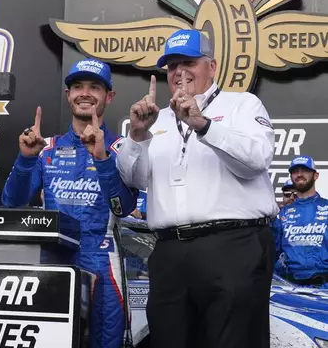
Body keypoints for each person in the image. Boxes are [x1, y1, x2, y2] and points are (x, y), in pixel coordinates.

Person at [116, 29, 277, 348]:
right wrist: (136, 135)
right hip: (169, 252)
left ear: (212, 66)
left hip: (233, 246)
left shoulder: (242, 105)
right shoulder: (156, 120)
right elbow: (133, 178)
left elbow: (256, 161)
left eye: (189, 62)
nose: (179, 71)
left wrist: (202, 124)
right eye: (172, 65)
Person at [1, 58, 138, 348]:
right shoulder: (45, 149)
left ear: (109, 97)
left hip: (103, 261)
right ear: (68, 95)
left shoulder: (121, 148)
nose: (85, 93)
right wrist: (26, 158)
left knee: (105, 342)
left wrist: (101, 160)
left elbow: (123, 208)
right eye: (77, 86)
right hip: (54, 259)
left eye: (94, 87)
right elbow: (11, 202)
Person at [273, 156, 328, 288]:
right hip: (290, 289)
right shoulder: (283, 213)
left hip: (324, 287)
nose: (299, 174)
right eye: (295, 171)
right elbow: (272, 253)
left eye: (305, 170)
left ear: (316, 175)